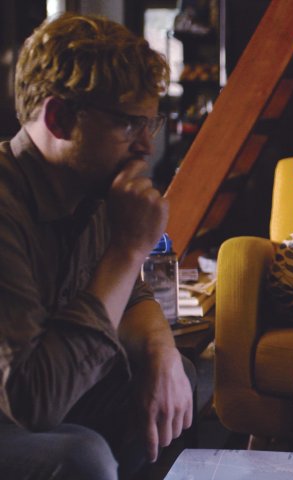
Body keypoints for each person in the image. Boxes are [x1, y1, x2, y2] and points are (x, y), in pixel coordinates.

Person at [0, 14, 194, 479]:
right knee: (82, 456)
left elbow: (133, 296)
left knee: (183, 382)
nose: (147, 146)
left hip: (48, 385)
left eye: (152, 122)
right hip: (15, 404)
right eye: (130, 124)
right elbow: (30, 402)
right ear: (59, 118)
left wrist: (160, 345)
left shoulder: (89, 188)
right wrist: (128, 250)